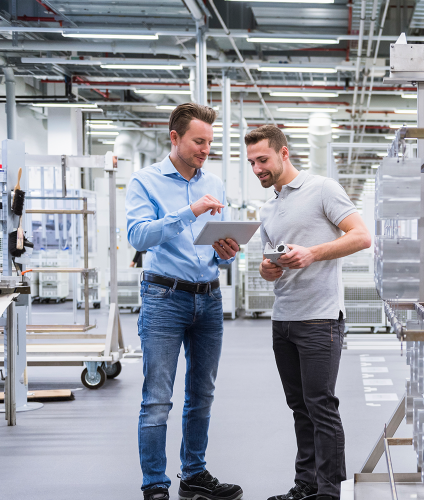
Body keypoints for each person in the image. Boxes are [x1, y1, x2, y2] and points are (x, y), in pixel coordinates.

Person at [126, 102, 244, 500]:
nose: (205, 149)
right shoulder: (145, 181)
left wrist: (226, 252)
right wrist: (188, 211)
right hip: (164, 297)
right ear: (174, 137)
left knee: (202, 393)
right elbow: (139, 237)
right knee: (158, 397)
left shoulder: (216, 182)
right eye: (198, 141)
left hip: (209, 299)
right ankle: (155, 483)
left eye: (209, 142)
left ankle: (194, 474)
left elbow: (214, 244)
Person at [247, 125, 371, 500]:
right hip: (283, 319)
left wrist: (313, 252)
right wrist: (267, 269)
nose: (257, 169)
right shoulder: (269, 206)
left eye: (263, 160)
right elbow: (271, 261)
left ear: (284, 153)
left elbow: (361, 235)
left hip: (319, 319)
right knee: (300, 406)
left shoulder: (322, 189)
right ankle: (307, 485)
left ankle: (330, 492)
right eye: (252, 162)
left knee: (321, 406)